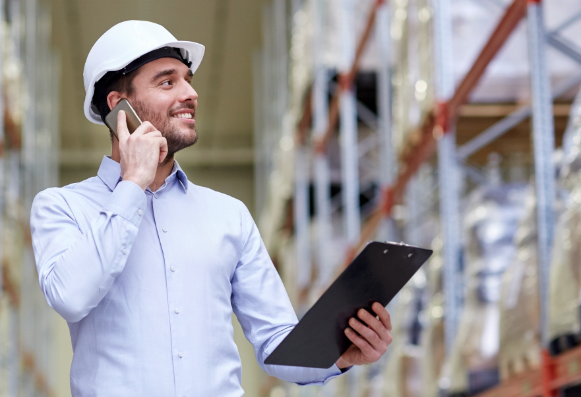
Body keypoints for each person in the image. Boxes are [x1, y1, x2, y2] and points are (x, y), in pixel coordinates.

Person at [30, 20, 393, 396]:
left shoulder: (228, 215)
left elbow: (276, 342)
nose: (190, 93)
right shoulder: (62, 207)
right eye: (168, 82)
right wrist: (132, 184)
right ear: (119, 107)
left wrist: (339, 353)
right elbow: (71, 296)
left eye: (188, 80)